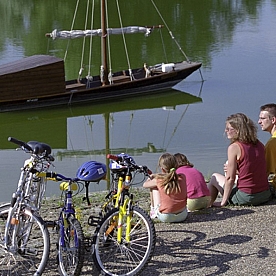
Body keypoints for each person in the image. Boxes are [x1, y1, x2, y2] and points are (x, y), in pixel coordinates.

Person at [207, 113, 271, 207]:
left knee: (214, 177)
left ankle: (208, 205)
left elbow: (230, 179)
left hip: (246, 197)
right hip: (264, 194)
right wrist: (237, 171)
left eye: (229, 129)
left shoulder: (234, 147)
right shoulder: (259, 144)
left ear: (237, 131)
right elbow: (255, 171)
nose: (226, 131)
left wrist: (223, 202)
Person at [143, 153, 188, 223]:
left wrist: (151, 177)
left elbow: (145, 185)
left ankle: (153, 212)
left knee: (154, 188)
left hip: (166, 217)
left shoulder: (158, 180)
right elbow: (170, 177)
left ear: (162, 169)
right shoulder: (182, 177)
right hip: (183, 215)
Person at [258, 103, 276, 176]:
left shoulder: (271, 144)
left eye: (263, 118)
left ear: (273, 120)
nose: (259, 122)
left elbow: (269, 172)